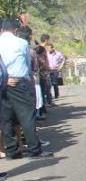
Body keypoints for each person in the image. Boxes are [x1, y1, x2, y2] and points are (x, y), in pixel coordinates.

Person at [0, 19, 51, 159]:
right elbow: (27, 65)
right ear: (16, 30)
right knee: (27, 117)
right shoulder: (21, 43)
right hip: (19, 82)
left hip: (3, 83)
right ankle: (35, 149)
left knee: (6, 118)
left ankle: (11, 151)